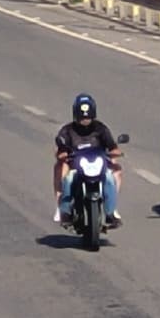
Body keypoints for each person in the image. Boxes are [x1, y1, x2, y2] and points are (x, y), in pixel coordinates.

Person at [53, 94, 123, 227]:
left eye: (87, 117)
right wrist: (62, 154)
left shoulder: (101, 129)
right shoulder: (67, 131)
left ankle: (111, 211)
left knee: (110, 176)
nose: (85, 120)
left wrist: (116, 152)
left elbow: (113, 147)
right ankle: (64, 210)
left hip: (98, 164)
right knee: (67, 178)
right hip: (76, 165)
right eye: (82, 118)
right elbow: (60, 149)